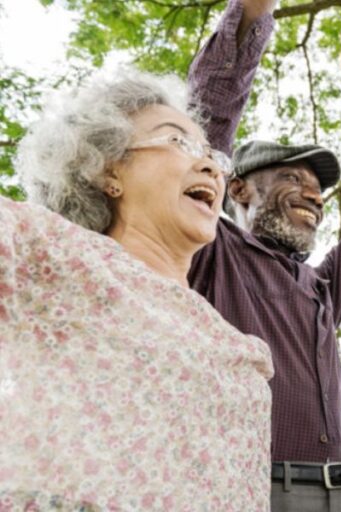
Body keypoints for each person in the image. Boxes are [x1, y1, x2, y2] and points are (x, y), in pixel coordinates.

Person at [185, 2, 341, 509]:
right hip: (251, 489)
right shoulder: (212, 251)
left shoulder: (322, 286)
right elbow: (205, 130)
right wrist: (253, 13)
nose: (315, 195)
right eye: (292, 178)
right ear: (236, 188)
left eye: (319, 188)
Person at [0, 68, 273, 510]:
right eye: (176, 142)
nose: (209, 165)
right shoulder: (55, 253)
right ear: (108, 169)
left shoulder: (235, 344)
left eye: (212, 155)